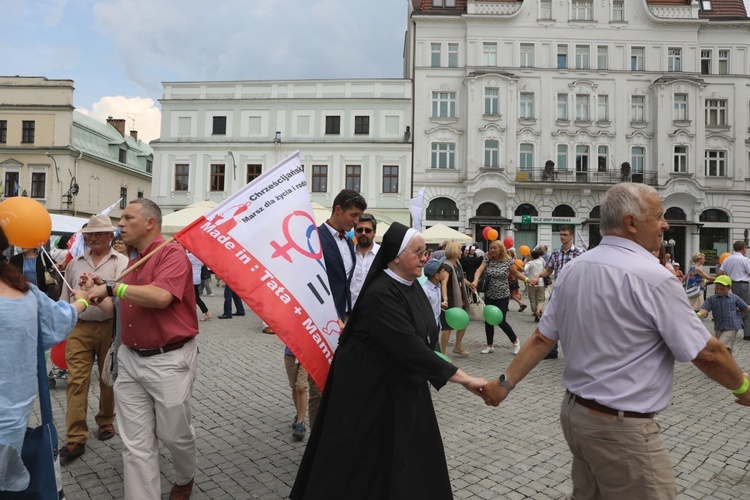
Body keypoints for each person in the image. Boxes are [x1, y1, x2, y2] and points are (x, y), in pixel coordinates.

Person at [482, 183, 750, 499]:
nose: (665, 224)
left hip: (576, 415)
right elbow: (708, 353)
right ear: (631, 222)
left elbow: (542, 337)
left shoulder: (575, 268)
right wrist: (743, 387)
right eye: (659, 216)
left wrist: (504, 385)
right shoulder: (655, 277)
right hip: (621, 430)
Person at [290, 222, 487, 499]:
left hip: (402, 387)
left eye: (426, 252)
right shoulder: (380, 293)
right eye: (418, 252)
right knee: (367, 463)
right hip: (369, 394)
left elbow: (424, 337)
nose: (425, 258)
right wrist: (464, 379)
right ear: (395, 255)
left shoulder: (411, 285)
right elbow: (409, 346)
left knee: (408, 458)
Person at [87, 199, 199, 500]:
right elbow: (121, 307)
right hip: (130, 358)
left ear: (150, 223)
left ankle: (185, 475)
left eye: (127, 218)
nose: (120, 224)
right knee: (135, 444)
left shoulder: (172, 254)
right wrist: (98, 294)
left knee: (174, 434)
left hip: (169, 359)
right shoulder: (130, 262)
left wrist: (113, 287)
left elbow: (161, 297)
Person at [0, 224, 88, 493]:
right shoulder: (20, 286)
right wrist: (81, 301)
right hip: (11, 419)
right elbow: (55, 324)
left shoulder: (24, 283)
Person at [59, 215, 128, 462]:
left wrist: (96, 287)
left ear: (111, 236)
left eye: (99, 234)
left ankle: (106, 420)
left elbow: (121, 297)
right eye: (89, 234)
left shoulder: (122, 261)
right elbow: (65, 297)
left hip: (110, 326)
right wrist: (63, 322)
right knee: (76, 380)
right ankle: (75, 437)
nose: (93, 238)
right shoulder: (74, 262)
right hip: (80, 326)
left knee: (107, 377)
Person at [472, 240, 532, 355]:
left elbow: (516, 273)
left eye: (495, 248)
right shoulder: (487, 259)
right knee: (488, 321)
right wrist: (475, 281)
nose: (492, 250)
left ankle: (515, 341)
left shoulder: (507, 261)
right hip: (489, 294)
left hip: (503, 295)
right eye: (491, 248)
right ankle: (489, 346)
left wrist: (527, 280)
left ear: (500, 249)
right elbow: (479, 270)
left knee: (501, 320)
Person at [534, 225, 585, 359]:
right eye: (560, 234)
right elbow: (548, 271)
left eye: (565, 234)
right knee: (550, 319)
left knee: (574, 322)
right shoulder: (556, 253)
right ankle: (552, 351)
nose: (562, 237)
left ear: (572, 236)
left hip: (574, 292)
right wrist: (537, 276)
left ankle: (576, 352)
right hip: (558, 291)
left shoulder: (579, 253)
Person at [318, 189, 367, 321]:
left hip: (345, 316)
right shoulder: (315, 238)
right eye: (353, 215)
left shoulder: (349, 242)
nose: (357, 221)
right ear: (338, 209)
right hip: (322, 318)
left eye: (359, 216)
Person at [698, 275, 750, 352]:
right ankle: (729, 363)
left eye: (722, 289)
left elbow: (745, 308)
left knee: (720, 346)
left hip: (732, 326)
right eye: (717, 288)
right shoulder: (712, 299)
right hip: (719, 327)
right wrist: (697, 315)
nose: (719, 291)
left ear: (729, 288)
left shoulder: (734, 298)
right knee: (726, 351)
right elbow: (704, 309)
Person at [440, 241, 473, 356]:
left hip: (458, 298)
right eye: (459, 249)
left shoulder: (457, 263)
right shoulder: (447, 265)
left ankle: (457, 346)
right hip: (450, 299)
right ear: (454, 251)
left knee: (464, 321)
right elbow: (443, 284)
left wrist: (470, 284)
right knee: (447, 326)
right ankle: (443, 352)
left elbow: (460, 278)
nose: (461, 251)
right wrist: (445, 300)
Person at [718, 241, 750, 339]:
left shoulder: (727, 259)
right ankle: (747, 334)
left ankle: (726, 329)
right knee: (746, 308)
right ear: (743, 248)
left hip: (730, 285)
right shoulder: (745, 260)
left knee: (730, 305)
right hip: (742, 285)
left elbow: (719, 273)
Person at [349, 213, 380, 307]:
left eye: (367, 230)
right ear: (354, 232)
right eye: (359, 230)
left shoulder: (382, 254)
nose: (363, 233)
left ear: (374, 232)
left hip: (376, 312)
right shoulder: (348, 254)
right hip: (351, 314)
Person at [284, 345, 311, 441]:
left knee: (301, 388)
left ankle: (300, 422)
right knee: (294, 387)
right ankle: (299, 414)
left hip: (306, 355)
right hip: (290, 354)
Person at [421, 257, 448, 349]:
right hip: (428, 327)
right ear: (437, 275)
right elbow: (423, 309)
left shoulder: (437, 286)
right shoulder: (425, 290)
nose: (445, 273)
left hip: (436, 324)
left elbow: (431, 304)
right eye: (443, 271)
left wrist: (439, 305)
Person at [187, 250, 212, 321]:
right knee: (193, 298)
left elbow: (182, 256)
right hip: (196, 279)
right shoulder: (200, 257)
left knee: (196, 298)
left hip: (192, 279)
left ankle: (207, 312)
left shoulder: (191, 256)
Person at [524, 249, 547, 322]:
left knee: (532, 300)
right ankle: (539, 310)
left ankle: (535, 312)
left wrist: (528, 276)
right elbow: (545, 268)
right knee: (541, 300)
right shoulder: (542, 261)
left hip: (532, 283)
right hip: (541, 283)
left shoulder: (530, 263)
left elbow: (525, 271)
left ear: (531, 256)